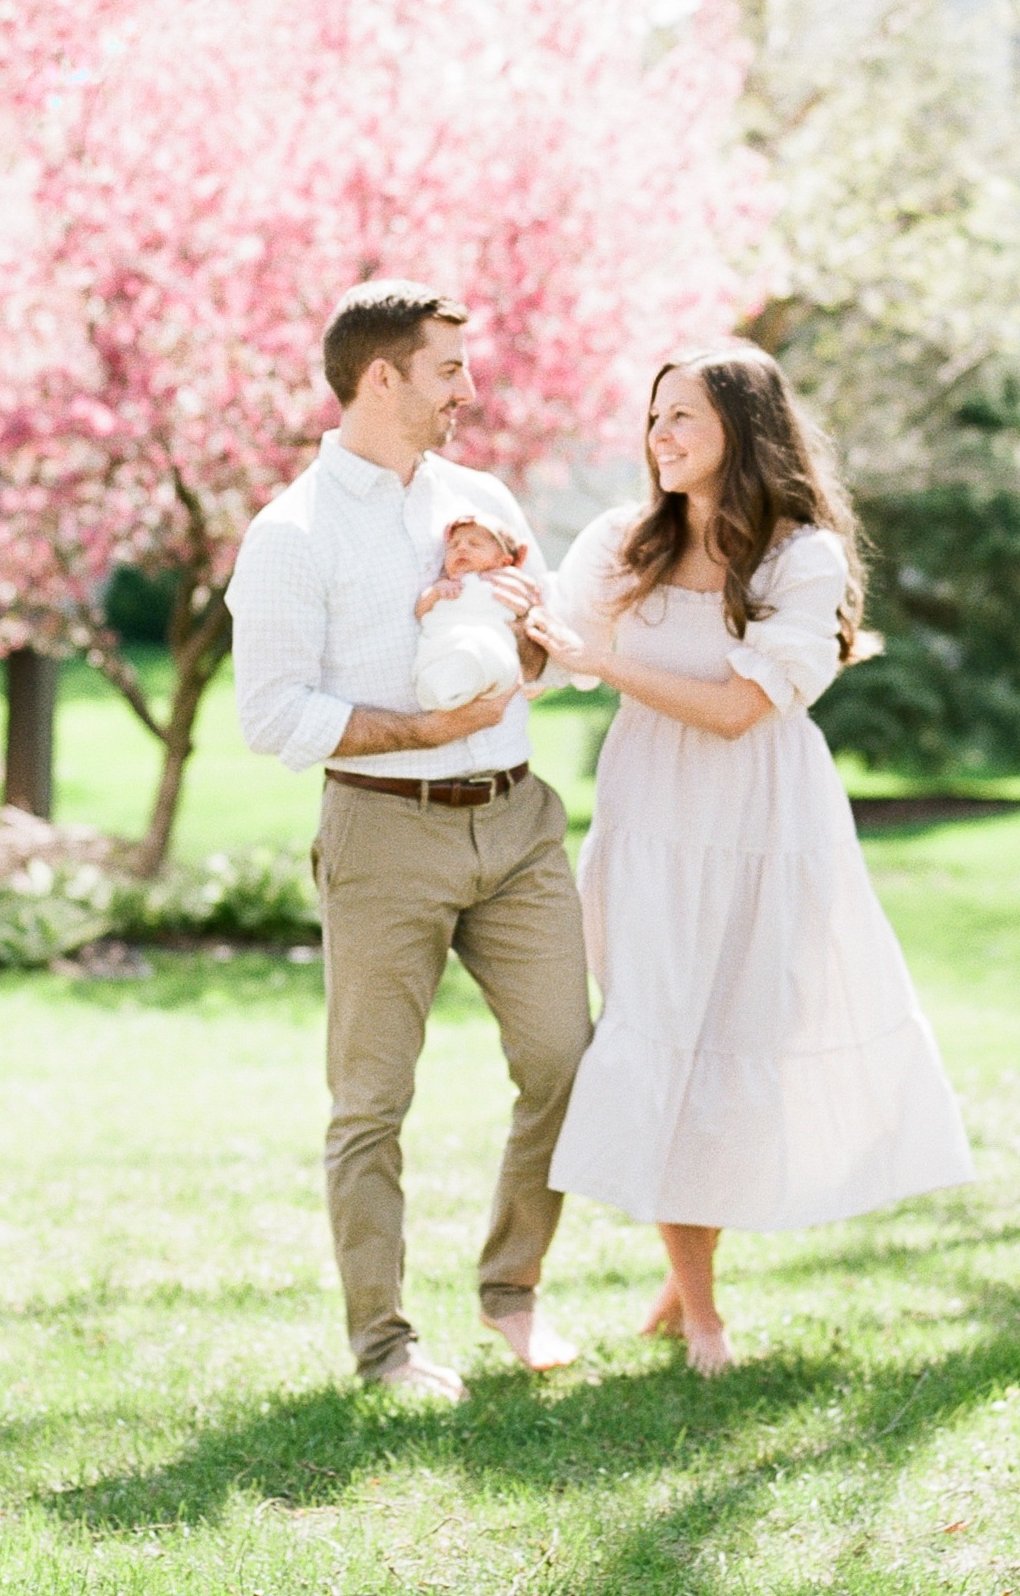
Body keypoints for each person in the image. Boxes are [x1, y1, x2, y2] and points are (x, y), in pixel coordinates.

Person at [525, 342, 974, 1376]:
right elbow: (553, 658)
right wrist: (494, 609)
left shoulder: (801, 557)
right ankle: (704, 1310)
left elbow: (738, 711)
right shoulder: (622, 541)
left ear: (744, 428)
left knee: (744, 1040)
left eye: (683, 417)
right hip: (651, 818)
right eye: (654, 419)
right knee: (661, 1022)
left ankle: (685, 1282)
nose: (661, 438)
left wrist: (605, 663)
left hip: (768, 823)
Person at [230, 280, 592, 1401]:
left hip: (521, 824)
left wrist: (535, 643)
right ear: (379, 378)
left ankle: (511, 1284)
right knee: (372, 1101)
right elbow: (274, 713)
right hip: (386, 834)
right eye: (448, 371)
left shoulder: (482, 498)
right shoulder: (291, 535)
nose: (468, 394)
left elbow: (547, 662)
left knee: (567, 1063)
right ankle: (384, 1346)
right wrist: (427, 727)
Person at [412, 516, 531, 711]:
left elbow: (522, 613)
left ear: (503, 561)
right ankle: (448, 687)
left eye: (475, 544)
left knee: (482, 651)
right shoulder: (445, 586)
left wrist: (523, 610)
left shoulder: (502, 583)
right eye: (453, 545)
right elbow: (420, 612)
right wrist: (435, 592)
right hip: (443, 645)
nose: (461, 548)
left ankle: (469, 679)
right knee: (453, 654)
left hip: (490, 647)